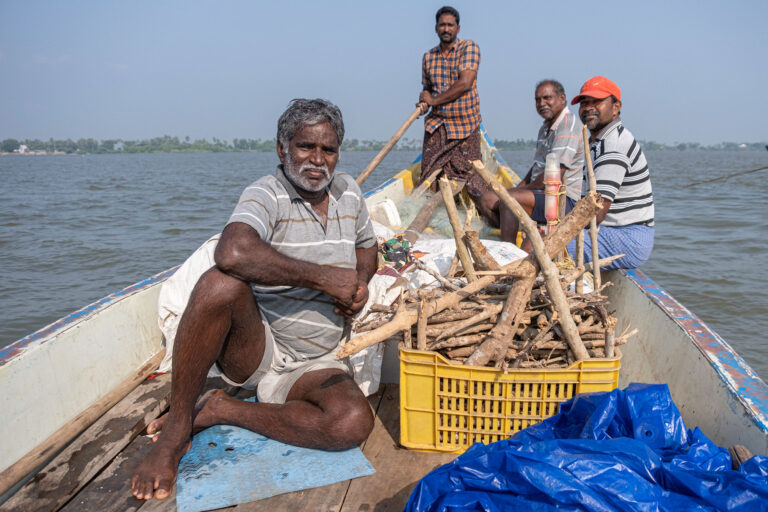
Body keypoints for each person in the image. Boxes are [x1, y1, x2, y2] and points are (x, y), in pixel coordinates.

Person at [131, 99, 379, 501]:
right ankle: (177, 429)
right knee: (219, 283)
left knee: (350, 424)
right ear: (283, 149)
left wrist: (361, 283)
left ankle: (220, 410)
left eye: (328, 150)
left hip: (319, 359)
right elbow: (232, 252)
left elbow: (369, 247)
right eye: (305, 147)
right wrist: (324, 279)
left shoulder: (349, 192)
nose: (317, 160)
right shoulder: (267, 193)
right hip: (260, 347)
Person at [568, 76, 655, 269]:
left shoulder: (614, 145)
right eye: (584, 103)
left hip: (627, 236)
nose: (589, 107)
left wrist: (557, 235)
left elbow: (595, 211)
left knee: (549, 248)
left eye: (597, 102)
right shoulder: (597, 142)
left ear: (616, 107)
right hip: (610, 230)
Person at [417, 6, 493, 218]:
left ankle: (484, 215)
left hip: (464, 124)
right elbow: (428, 88)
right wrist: (424, 99)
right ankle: (431, 219)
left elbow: (465, 83)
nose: (446, 28)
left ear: (458, 28)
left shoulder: (469, 48)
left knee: (472, 179)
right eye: (442, 24)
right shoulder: (428, 57)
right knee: (429, 176)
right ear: (436, 28)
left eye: (450, 25)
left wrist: (434, 100)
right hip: (438, 125)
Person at [498, 80, 585, 245]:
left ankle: (507, 250)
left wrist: (515, 192)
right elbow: (537, 168)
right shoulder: (545, 127)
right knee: (488, 200)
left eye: (547, 98)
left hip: (561, 199)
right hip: (541, 194)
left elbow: (553, 176)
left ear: (562, 98)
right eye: (538, 100)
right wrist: (518, 187)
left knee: (509, 199)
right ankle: (520, 233)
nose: (541, 103)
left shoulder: (568, 125)